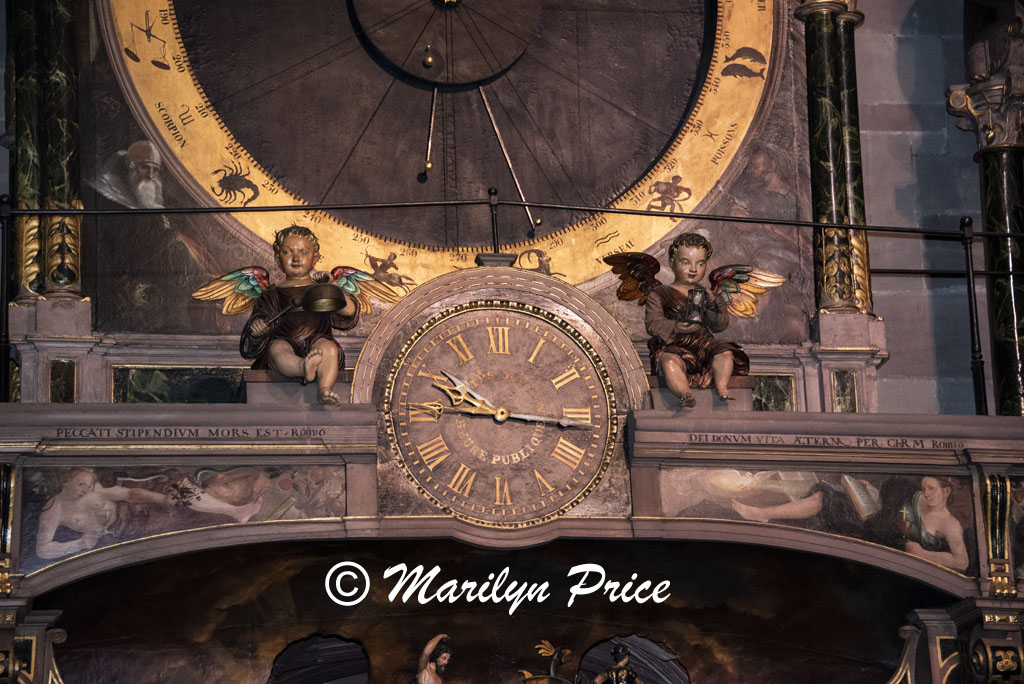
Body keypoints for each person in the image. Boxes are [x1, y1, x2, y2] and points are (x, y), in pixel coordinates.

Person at [240, 226, 360, 405]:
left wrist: (333, 286)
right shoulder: (271, 295)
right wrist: (258, 328)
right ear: (276, 258)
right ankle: (303, 366)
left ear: (316, 258)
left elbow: (349, 312)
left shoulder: (321, 291)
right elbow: (259, 321)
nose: (296, 259)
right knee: (277, 349)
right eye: (288, 252)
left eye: (304, 252)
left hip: (316, 341)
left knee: (329, 348)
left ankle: (324, 389)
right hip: (283, 341)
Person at [35, 468, 263, 560]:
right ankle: (234, 515)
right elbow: (43, 550)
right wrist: (79, 544)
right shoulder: (53, 511)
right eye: (80, 485)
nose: (87, 489)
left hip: (143, 500)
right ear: (63, 482)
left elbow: (129, 493)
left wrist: (162, 499)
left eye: (89, 483)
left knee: (181, 488)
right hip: (126, 529)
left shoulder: (92, 487)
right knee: (184, 526)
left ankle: (236, 512)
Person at [645, 233, 749, 408]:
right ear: (671, 262)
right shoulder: (660, 294)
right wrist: (676, 326)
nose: (693, 269)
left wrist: (714, 302)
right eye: (685, 262)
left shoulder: (708, 295)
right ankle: (685, 394)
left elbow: (720, 324)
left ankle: (722, 386)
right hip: (674, 345)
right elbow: (653, 324)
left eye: (700, 264)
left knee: (725, 353)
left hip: (703, 343)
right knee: (669, 363)